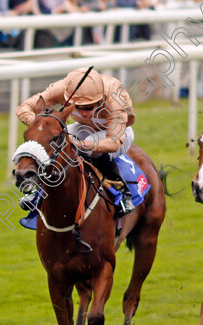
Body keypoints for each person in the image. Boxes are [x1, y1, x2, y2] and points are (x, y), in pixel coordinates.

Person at [16, 67, 137, 215]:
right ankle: (39, 191)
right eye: (77, 107)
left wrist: (81, 145)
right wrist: (42, 125)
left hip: (117, 133)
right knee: (54, 144)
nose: (83, 113)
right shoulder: (62, 88)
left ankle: (123, 191)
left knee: (90, 145)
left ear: (99, 99)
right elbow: (24, 108)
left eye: (89, 107)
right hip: (83, 128)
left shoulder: (114, 95)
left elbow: (114, 142)